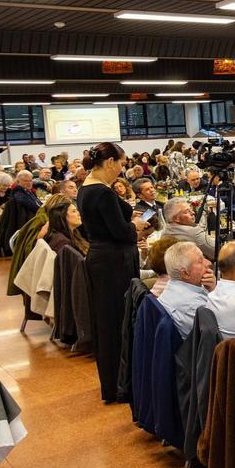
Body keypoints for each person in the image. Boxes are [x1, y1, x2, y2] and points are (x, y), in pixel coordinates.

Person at [78, 142, 144, 403]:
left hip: (104, 259)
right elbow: (120, 231)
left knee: (109, 321)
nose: (122, 168)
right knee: (116, 321)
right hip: (113, 262)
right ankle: (120, 383)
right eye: (121, 162)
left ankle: (117, 381)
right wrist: (135, 226)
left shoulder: (89, 188)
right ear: (109, 163)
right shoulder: (101, 193)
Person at [157, 241, 216, 338]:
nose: (208, 263)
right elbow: (218, 336)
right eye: (200, 261)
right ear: (185, 273)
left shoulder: (172, 285)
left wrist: (212, 290)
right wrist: (214, 293)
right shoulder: (194, 307)